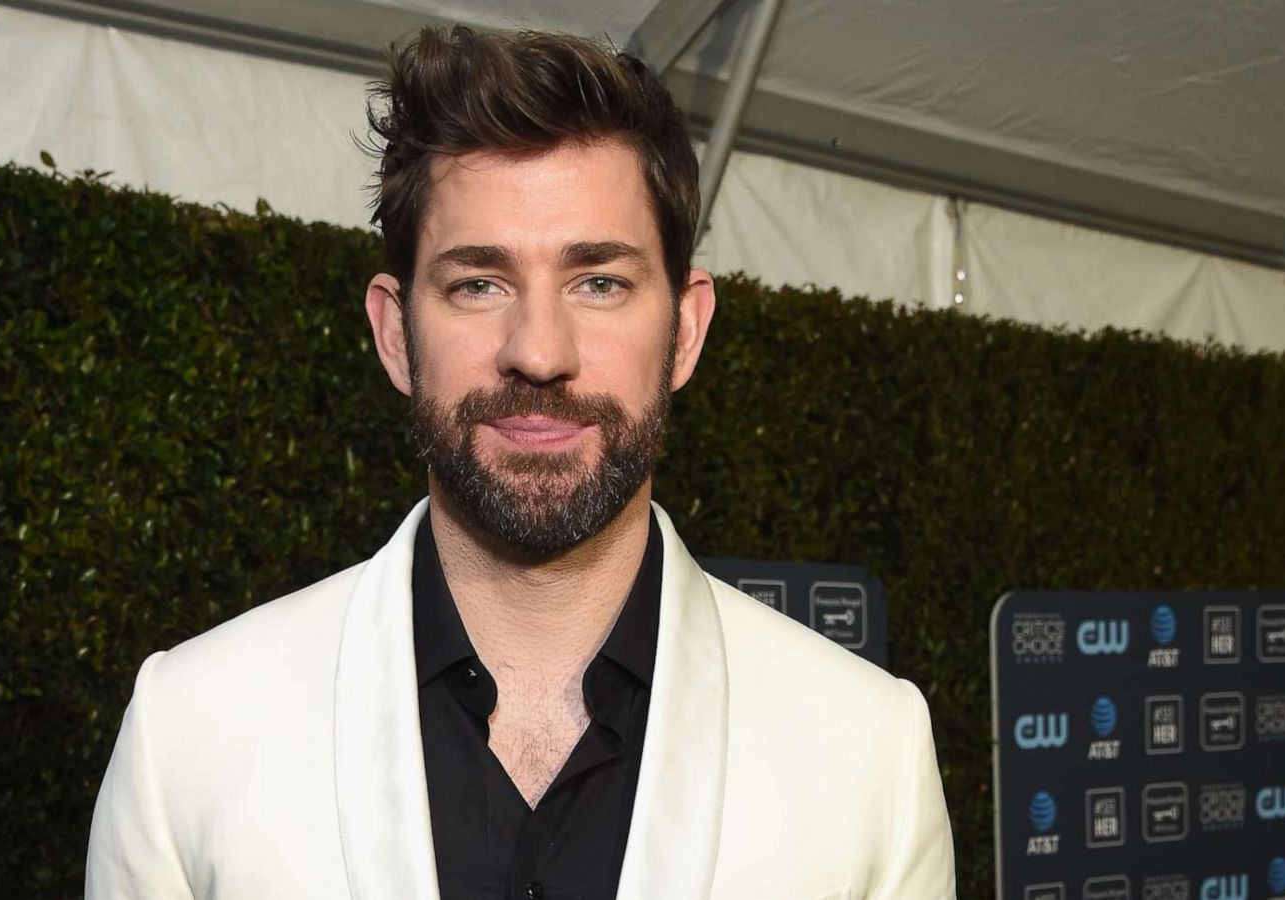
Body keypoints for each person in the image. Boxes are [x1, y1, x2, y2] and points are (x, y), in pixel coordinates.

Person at [86, 25, 956, 900]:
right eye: (479, 284)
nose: (538, 352)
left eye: (599, 282)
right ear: (395, 335)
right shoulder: (190, 733)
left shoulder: (869, 751)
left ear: (686, 330)